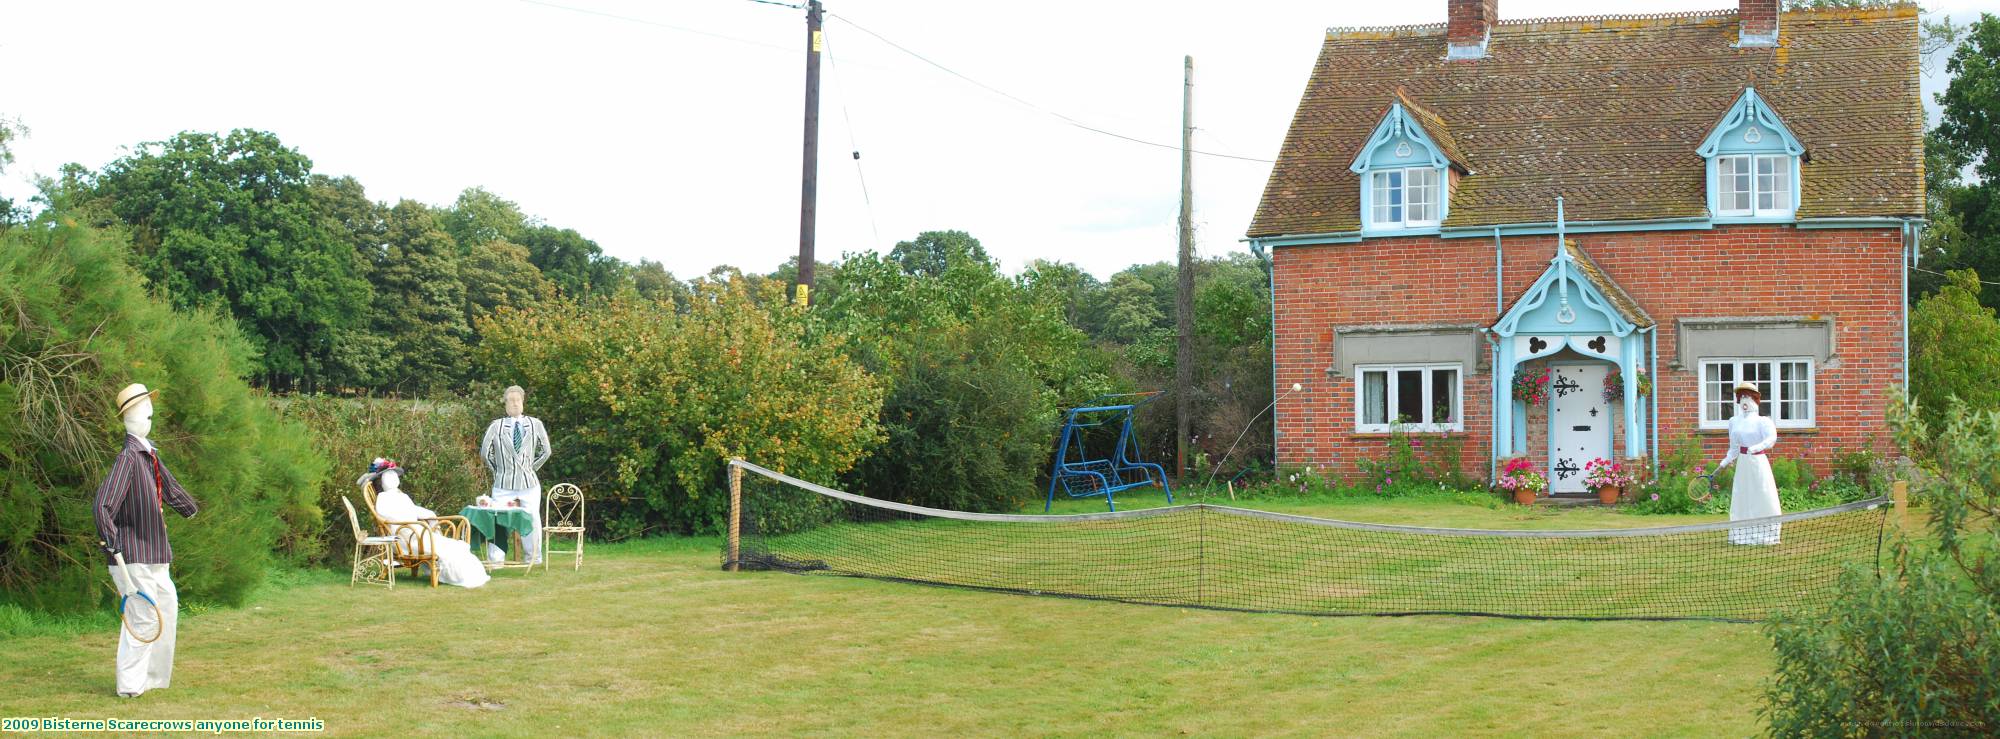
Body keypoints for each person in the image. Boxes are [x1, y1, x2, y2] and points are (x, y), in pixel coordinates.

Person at [94, 383, 200, 698]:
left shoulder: (148, 454)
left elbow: (168, 484)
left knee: (166, 612)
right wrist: (113, 544)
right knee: (142, 618)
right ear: (129, 417)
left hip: (156, 552)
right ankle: (129, 686)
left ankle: (151, 679)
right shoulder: (128, 457)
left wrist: (189, 509)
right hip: (133, 556)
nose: (149, 415)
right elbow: (103, 505)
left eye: (149, 411)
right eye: (142, 411)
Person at [362, 459, 490, 588]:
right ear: (382, 480)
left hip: (416, 533)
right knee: (441, 546)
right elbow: (387, 518)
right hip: (403, 538)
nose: (393, 479)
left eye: (394, 476)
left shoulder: (402, 496)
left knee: (450, 546)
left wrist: (430, 515)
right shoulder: (383, 498)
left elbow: (413, 510)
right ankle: (458, 574)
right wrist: (411, 525)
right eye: (388, 476)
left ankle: (466, 574)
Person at [480, 386, 550, 564]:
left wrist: (530, 468)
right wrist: (499, 470)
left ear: (523, 402)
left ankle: (533, 558)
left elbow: (546, 451)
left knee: (532, 519)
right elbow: (485, 453)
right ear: (505, 404)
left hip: (529, 484)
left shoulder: (535, 424)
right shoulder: (497, 426)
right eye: (510, 401)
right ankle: (495, 559)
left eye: (517, 400)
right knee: (499, 519)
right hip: (503, 484)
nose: (514, 404)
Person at [1714, 381, 1782, 545]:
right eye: (1742, 396)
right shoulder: (1734, 422)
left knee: (1763, 495)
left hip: (1758, 462)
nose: (1745, 400)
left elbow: (1771, 439)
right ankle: (1740, 534)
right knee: (1742, 496)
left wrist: (1756, 447)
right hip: (1743, 465)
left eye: (1748, 396)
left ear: (1755, 399)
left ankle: (1768, 534)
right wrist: (1723, 464)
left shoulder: (1763, 421)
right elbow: (1734, 449)